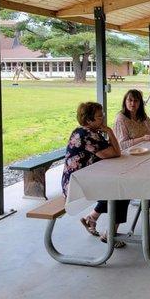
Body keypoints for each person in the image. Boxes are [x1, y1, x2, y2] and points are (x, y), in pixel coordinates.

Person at [61, 102, 127, 248]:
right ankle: (110, 234)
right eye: (99, 116)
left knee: (120, 188)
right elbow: (115, 152)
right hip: (76, 185)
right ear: (88, 120)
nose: (102, 118)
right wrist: (109, 131)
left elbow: (114, 152)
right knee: (122, 190)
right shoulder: (87, 134)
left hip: (84, 178)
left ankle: (92, 218)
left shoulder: (85, 131)